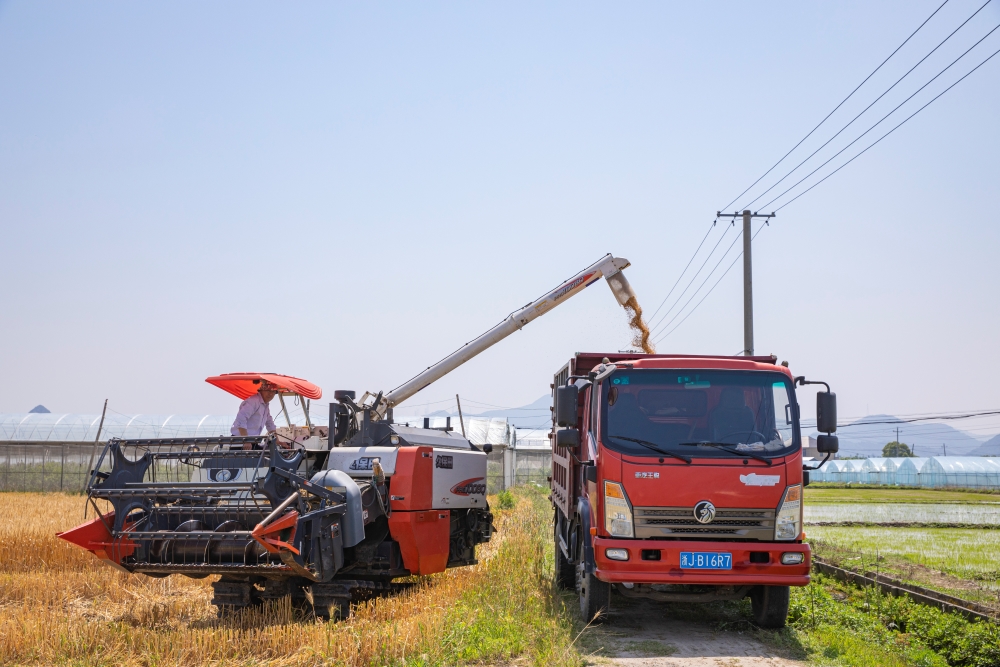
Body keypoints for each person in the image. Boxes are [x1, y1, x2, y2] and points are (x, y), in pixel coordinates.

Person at [231, 382, 277, 446]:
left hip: (253, 441)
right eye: (268, 391)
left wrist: (277, 441)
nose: (271, 394)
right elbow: (241, 419)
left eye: (273, 392)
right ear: (261, 391)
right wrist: (245, 440)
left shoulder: (265, 405)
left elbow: (270, 424)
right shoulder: (253, 401)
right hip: (241, 441)